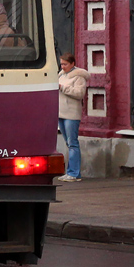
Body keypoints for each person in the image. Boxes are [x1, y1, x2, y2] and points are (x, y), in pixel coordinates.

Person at [57, 52, 89, 181]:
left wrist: (62, 88)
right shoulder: (61, 75)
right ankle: (71, 172)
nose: (62, 66)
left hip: (71, 114)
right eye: (61, 64)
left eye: (65, 64)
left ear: (72, 64)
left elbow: (79, 93)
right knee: (68, 143)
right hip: (61, 113)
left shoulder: (79, 77)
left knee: (72, 143)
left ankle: (74, 173)